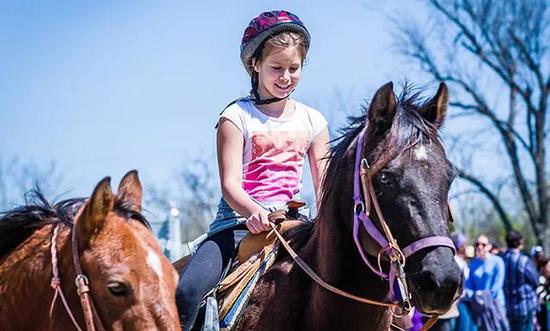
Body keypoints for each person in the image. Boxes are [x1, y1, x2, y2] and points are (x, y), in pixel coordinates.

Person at [174, 10, 330, 330]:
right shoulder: (236, 116)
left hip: (294, 225)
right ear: (255, 64)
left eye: (293, 68)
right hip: (238, 225)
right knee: (187, 293)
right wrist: (254, 211)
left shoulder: (314, 121)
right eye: (276, 68)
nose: (285, 77)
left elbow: (324, 186)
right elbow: (230, 184)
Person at [465, 234, 508, 330]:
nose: (480, 247)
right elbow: (469, 285)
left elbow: (497, 286)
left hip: (495, 305)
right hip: (479, 307)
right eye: (477, 244)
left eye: (483, 244)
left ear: (489, 246)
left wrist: (480, 296)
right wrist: (474, 295)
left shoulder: (498, 262)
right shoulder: (473, 264)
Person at [502, 231, 539, 331]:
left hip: (509, 307)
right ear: (519, 242)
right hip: (525, 306)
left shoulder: (502, 259)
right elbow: (535, 280)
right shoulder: (524, 260)